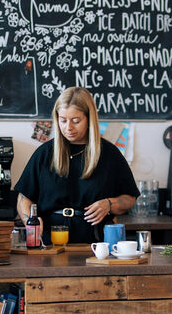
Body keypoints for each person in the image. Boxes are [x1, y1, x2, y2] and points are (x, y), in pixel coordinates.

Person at [14, 87, 139, 244]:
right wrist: (30, 222)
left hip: (95, 242)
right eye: (63, 120)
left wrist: (109, 204)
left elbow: (129, 199)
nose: (68, 128)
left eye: (76, 121)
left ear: (89, 119)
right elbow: (23, 199)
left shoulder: (109, 154)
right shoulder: (44, 153)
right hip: (49, 242)